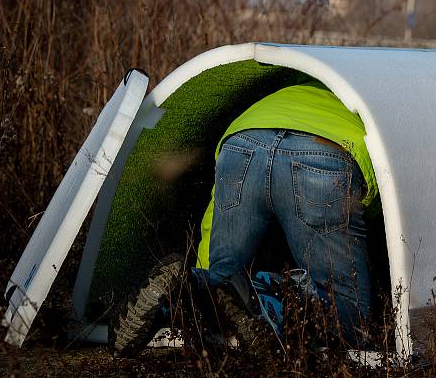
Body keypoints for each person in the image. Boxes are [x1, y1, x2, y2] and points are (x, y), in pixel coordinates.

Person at [109, 78, 380, 357]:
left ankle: (179, 294)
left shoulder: (296, 88)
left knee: (225, 279)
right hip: (326, 150)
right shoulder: (376, 103)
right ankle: (262, 300)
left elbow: (212, 218)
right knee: (347, 309)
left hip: (243, 141)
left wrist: (209, 272)